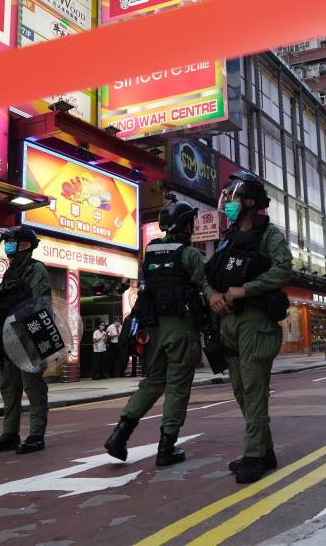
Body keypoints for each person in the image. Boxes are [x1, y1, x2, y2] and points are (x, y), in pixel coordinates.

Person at [205, 171, 292, 484]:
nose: (228, 202)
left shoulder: (269, 235)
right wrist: (212, 294)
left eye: (233, 197)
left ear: (251, 201)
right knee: (242, 391)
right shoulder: (227, 240)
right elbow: (208, 276)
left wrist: (248, 288)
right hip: (228, 324)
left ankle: (253, 456)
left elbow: (284, 269)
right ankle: (264, 450)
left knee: (254, 391)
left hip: (256, 324)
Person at [105, 199, 205, 466]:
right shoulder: (189, 253)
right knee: (177, 387)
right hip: (180, 328)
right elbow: (205, 288)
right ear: (185, 224)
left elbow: (147, 285)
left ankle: (119, 435)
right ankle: (166, 447)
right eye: (191, 221)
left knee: (151, 382)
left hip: (152, 330)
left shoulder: (150, 252)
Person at [0, 226, 52, 455]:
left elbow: (39, 304)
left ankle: (36, 435)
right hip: (8, 335)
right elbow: (2, 306)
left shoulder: (36, 269)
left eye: (12, 241)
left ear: (25, 244)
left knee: (33, 387)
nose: (8, 245)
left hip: (29, 334)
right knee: (9, 387)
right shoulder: (10, 272)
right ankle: (9, 434)